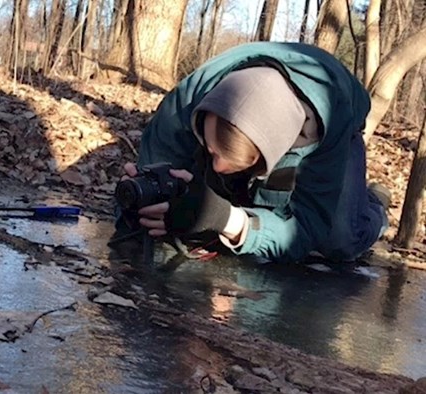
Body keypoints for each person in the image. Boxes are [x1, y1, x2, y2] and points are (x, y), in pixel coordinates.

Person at [120, 42, 391, 263]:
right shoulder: (185, 101)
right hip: (230, 101)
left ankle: (375, 204)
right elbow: (156, 167)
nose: (215, 166)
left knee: (340, 241)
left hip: (341, 124)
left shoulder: (331, 123)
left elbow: (307, 229)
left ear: (265, 160)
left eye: (225, 158)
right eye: (210, 150)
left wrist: (229, 220)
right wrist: (145, 199)